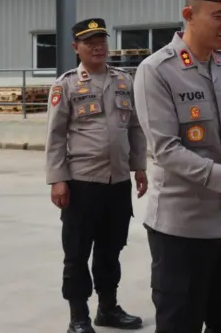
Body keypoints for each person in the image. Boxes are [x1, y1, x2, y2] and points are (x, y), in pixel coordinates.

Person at [133, 0, 221, 333]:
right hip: (180, 229)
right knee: (181, 323)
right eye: (218, 16)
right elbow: (166, 150)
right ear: (189, 14)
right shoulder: (156, 71)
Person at [45, 17, 148, 333]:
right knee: (77, 253)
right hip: (82, 183)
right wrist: (58, 179)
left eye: (101, 41)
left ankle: (108, 309)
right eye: (90, 42)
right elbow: (55, 136)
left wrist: (139, 166)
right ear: (76, 47)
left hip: (117, 182)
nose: (98, 47)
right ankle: (78, 317)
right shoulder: (66, 85)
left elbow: (135, 127)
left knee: (111, 250)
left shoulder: (123, 80)